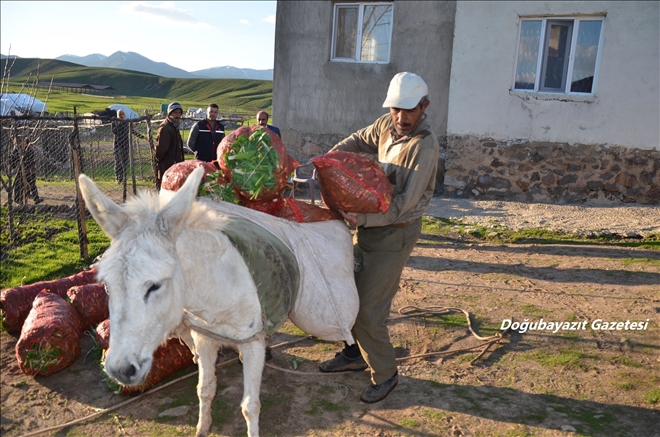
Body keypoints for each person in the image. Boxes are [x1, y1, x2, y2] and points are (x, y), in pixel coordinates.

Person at [318, 72, 439, 403]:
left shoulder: (422, 148)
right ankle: (355, 353)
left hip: (395, 233)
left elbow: (402, 206)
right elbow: (359, 138)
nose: (400, 118)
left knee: (369, 311)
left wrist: (363, 219)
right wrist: (331, 160)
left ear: (424, 107)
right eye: (395, 110)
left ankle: (386, 374)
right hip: (371, 227)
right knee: (348, 295)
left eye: (409, 111)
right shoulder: (387, 126)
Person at [154, 102, 185, 190]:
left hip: (174, 166)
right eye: (175, 112)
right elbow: (160, 151)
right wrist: (162, 163)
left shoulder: (173, 126)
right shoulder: (166, 128)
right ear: (170, 113)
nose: (178, 115)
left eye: (179, 113)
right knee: (167, 190)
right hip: (167, 166)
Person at [111, 109, 145, 184]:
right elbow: (114, 131)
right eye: (120, 115)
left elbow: (133, 131)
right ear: (118, 115)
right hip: (118, 145)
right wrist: (119, 123)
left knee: (124, 162)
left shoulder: (127, 123)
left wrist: (142, 137)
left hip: (126, 145)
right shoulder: (115, 122)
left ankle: (122, 178)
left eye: (123, 115)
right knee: (118, 162)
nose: (122, 116)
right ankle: (118, 177)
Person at [12, 137, 43, 204]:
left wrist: (32, 167)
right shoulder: (15, 152)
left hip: (28, 169)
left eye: (24, 142)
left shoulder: (29, 150)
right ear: (16, 143)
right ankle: (18, 199)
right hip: (19, 171)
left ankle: (36, 198)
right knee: (18, 185)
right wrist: (18, 167)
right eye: (20, 142)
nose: (23, 144)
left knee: (32, 183)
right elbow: (13, 163)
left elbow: (32, 160)